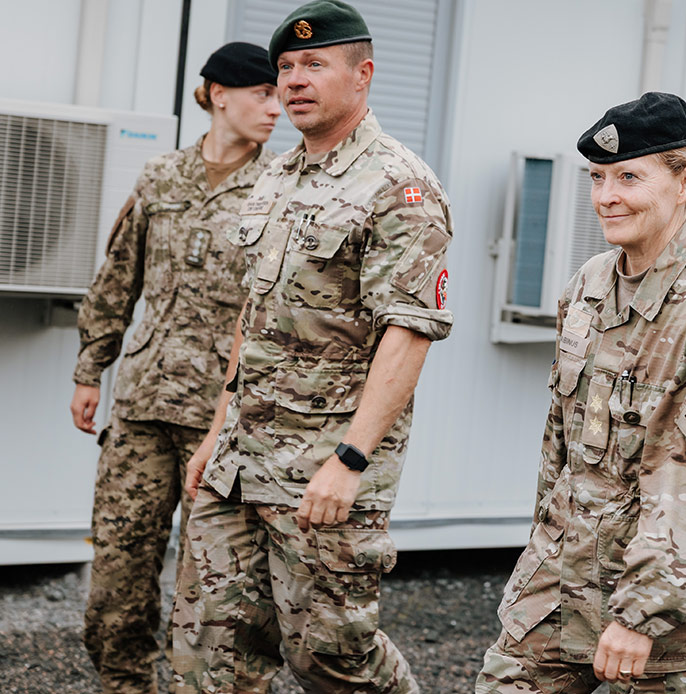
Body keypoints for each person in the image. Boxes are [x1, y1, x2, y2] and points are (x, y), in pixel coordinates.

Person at [171, 2, 452, 693]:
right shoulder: (276, 176)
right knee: (208, 652)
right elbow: (254, 315)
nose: (294, 80)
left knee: (330, 657)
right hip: (237, 461)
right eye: (286, 67)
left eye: (314, 65)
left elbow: (409, 332)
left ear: (363, 76)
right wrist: (215, 433)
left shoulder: (400, 186)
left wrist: (350, 461)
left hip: (320, 468)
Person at [476, 92, 686, 694]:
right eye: (598, 177)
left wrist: (642, 613)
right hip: (564, 574)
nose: (606, 196)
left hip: (672, 616)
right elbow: (560, 442)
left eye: (629, 177)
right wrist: (542, 548)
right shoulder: (589, 284)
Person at [68, 42, 279, 694]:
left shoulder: (281, 189)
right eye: (263, 95)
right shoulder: (160, 178)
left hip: (222, 424)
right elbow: (115, 282)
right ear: (220, 94)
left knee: (218, 598)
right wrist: (89, 369)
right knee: (117, 582)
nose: (278, 108)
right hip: (141, 409)